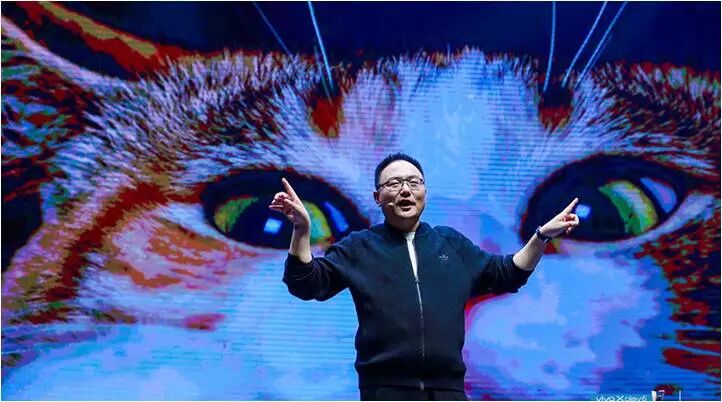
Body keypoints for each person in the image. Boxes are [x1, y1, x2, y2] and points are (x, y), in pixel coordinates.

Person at [269, 153, 580, 401]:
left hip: (448, 391)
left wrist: (541, 237)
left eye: (413, 182)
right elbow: (306, 283)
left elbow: (508, 274)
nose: (405, 190)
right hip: (385, 392)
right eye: (394, 184)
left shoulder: (450, 243)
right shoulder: (359, 247)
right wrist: (302, 230)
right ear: (377, 197)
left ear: (424, 192)